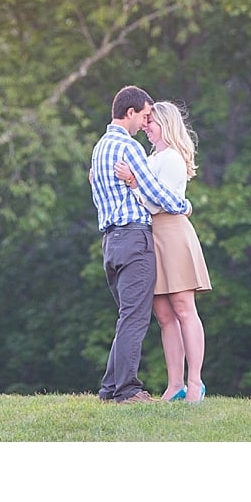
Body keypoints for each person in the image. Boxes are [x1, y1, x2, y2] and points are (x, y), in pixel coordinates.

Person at [89, 85, 193, 404]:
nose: (145, 123)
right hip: (135, 237)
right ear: (130, 113)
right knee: (135, 317)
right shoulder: (129, 148)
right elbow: (154, 192)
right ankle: (128, 390)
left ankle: (110, 389)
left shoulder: (100, 148)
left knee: (127, 314)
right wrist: (183, 205)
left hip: (111, 241)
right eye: (145, 115)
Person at [116, 100, 211, 402]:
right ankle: (174, 384)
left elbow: (160, 202)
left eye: (151, 122)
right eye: (146, 121)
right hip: (152, 237)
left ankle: (195, 382)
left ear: (166, 124)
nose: (146, 126)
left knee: (184, 308)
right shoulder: (152, 156)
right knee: (164, 314)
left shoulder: (171, 158)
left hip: (171, 233)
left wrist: (132, 183)